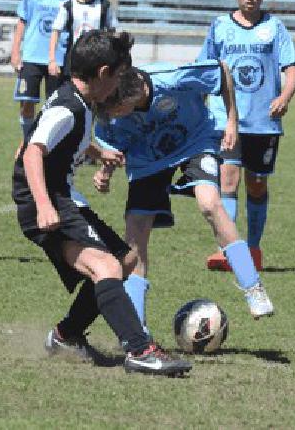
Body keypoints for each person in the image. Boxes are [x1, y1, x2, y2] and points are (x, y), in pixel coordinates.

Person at [12, 29, 192, 376]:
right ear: (103, 74)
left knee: (124, 260)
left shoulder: (79, 102)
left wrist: (97, 151)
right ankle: (140, 350)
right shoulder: (67, 108)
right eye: (119, 77)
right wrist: (44, 205)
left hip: (63, 198)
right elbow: (33, 151)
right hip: (49, 201)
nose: (118, 88)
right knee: (105, 267)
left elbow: (67, 140)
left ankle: (67, 336)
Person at [91, 60, 276, 338]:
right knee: (135, 234)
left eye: (118, 108)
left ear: (134, 95)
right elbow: (112, 141)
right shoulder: (112, 109)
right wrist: (105, 171)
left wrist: (232, 121)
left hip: (195, 143)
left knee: (209, 203)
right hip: (147, 161)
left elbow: (222, 71)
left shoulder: (172, 77)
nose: (114, 114)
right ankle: (137, 331)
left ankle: (253, 288)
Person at [198, 0, 295, 272]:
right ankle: (229, 249)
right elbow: (205, 69)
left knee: (256, 185)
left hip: (263, 122)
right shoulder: (219, 26)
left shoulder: (275, 28)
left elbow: (292, 69)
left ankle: (253, 248)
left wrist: (284, 96)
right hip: (226, 119)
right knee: (228, 181)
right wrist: (198, 106)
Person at [10, 0, 76, 143]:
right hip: (31, 57)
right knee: (26, 102)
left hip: (58, 59)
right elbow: (22, 22)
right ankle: (27, 139)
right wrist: (15, 51)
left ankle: (47, 142)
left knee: (54, 106)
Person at [48, 0, 117, 88]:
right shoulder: (68, 6)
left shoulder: (104, 6)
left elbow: (113, 32)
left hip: (97, 60)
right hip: (74, 60)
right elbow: (55, 31)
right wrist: (52, 60)